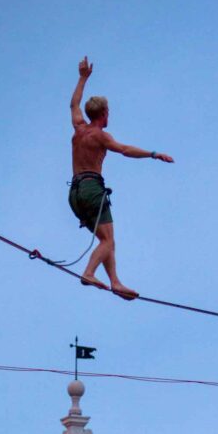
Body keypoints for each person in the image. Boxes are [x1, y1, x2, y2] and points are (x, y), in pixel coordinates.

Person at [69, 56, 174, 299]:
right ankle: (89, 272)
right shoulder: (100, 135)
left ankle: (115, 282)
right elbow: (126, 150)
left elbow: (73, 105)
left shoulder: (78, 128)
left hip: (74, 194)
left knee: (108, 240)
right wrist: (154, 154)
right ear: (104, 113)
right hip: (91, 190)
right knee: (107, 241)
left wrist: (82, 78)